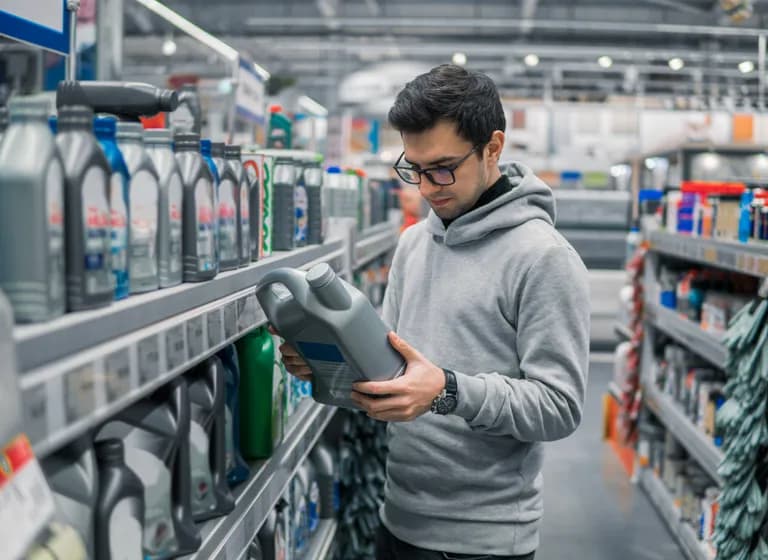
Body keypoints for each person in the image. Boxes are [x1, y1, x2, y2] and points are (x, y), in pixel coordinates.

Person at [274, 64, 590, 560]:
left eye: (443, 168)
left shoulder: (543, 257)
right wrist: (329, 363)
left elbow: (559, 406)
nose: (426, 187)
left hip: (481, 542)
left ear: (493, 147)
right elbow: (395, 378)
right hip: (397, 518)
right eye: (414, 169)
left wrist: (448, 390)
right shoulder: (413, 244)